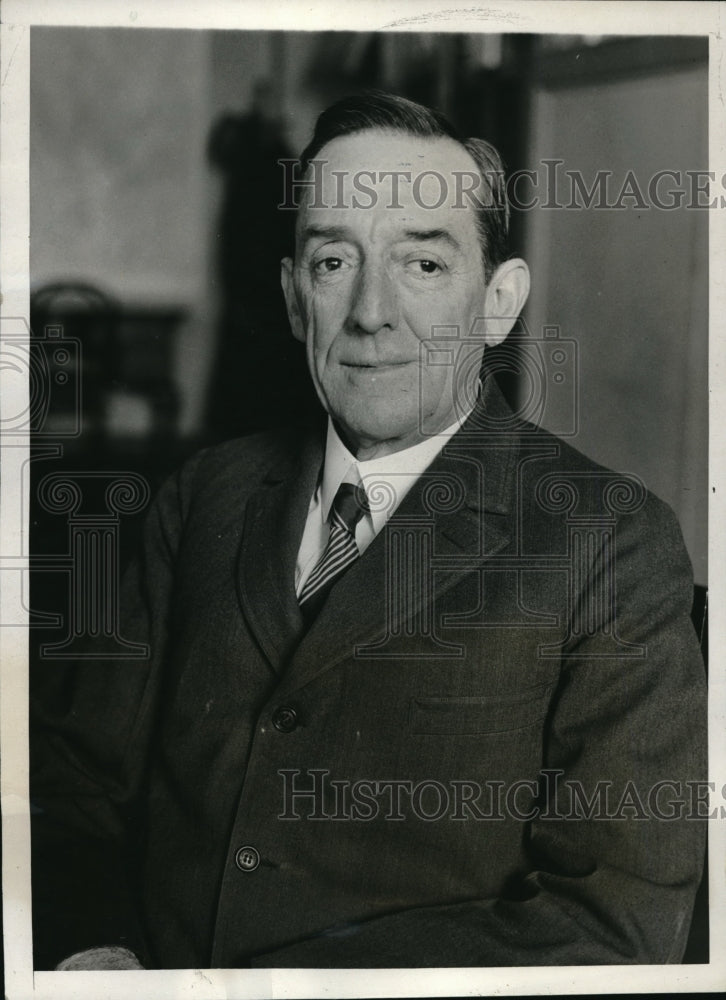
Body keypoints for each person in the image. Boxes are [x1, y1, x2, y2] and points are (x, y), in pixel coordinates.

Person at [31, 91, 706, 970]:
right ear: (291, 297)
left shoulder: (610, 546)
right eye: (333, 262)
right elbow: (74, 783)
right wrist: (93, 947)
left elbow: (611, 929)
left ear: (498, 303)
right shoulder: (204, 498)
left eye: (423, 266)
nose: (371, 313)